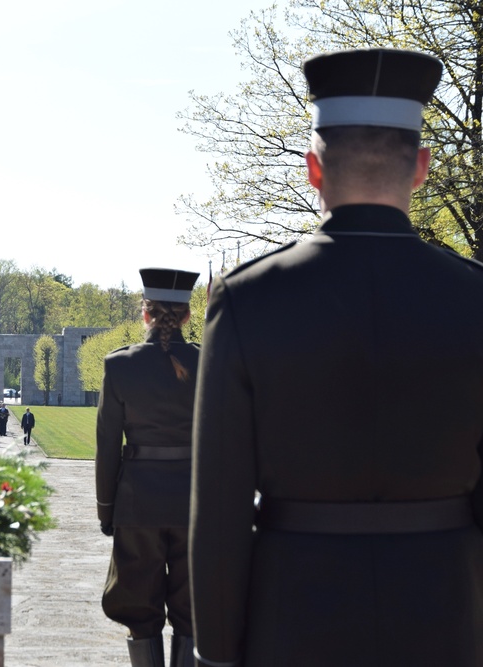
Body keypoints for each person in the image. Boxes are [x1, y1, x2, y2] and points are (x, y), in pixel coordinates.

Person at [190, 48, 483, 667]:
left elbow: (218, 507)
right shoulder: (473, 296)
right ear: (423, 167)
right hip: (447, 609)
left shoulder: (248, 299)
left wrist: (217, 653)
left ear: (312, 169)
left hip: (293, 610)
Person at [97, 267, 200, 667]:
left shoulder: (120, 365)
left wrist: (108, 511)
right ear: (187, 315)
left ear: (146, 313)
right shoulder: (209, 362)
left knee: (139, 611)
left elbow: (108, 446)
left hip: (138, 504)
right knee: (193, 612)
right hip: (195, 504)